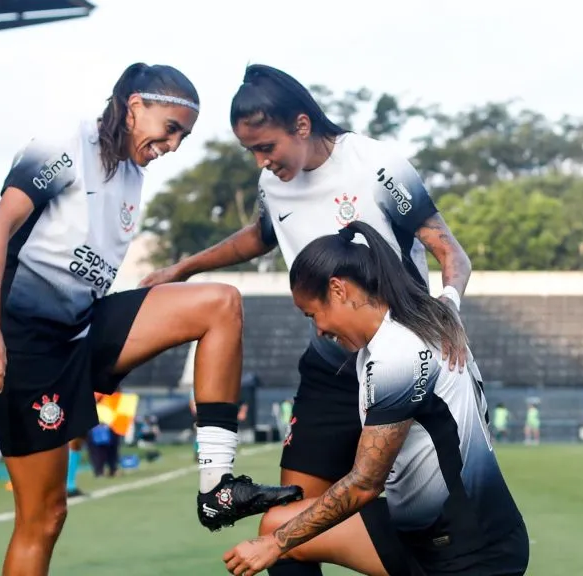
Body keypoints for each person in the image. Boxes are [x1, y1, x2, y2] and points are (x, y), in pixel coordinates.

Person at [0, 62, 300, 576]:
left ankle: (217, 486)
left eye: (184, 137)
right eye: (171, 130)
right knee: (44, 516)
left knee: (220, 302)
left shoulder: (131, 174)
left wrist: (172, 277)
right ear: (135, 105)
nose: (174, 146)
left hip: (82, 327)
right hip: (20, 340)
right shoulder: (65, 144)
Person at [140, 63, 472, 576]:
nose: (261, 161)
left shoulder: (375, 165)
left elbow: (450, 251)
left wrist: (447, 311)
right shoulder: (273, 185)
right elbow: (259, 235)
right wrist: (183, 267)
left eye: (266, 147)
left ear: (301, 125)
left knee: (419, 527)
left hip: (399, 367)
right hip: (331, 369)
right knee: (281, 526)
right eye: (251, 151)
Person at [223, 221, 528, 576]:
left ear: (338, 290)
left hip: (471, 555)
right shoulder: (423, 317)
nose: (318, 330)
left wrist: (275, 545)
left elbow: (366, 484)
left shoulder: (398, 355)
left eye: (313, 315)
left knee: (280, 537)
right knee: (279, 524)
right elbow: (450, 297)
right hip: (418, 536)